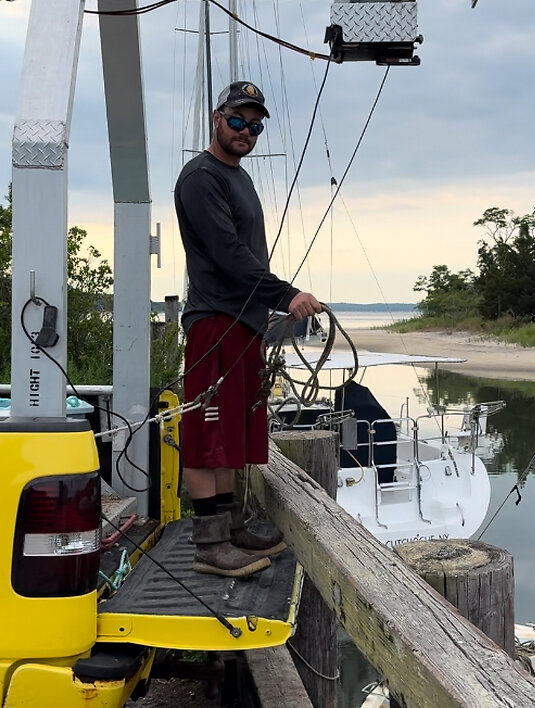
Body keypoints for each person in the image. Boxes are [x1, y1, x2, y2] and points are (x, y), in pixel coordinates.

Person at [174, 80, 323, 578]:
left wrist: (267, 308)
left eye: (254, 125)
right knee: (204, 433)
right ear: (217, 118)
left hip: (243, 326)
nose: (246, 131)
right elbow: (227, 254)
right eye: (237, 120)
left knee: (230, 435)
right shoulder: (200, 178)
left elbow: (246, 255)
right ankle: (209, 544)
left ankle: (232, 528)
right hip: (214, 322)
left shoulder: (239, 178)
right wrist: (286, 295)